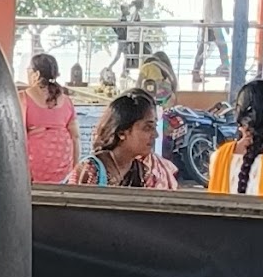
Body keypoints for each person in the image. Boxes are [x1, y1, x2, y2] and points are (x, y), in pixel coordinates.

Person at [67, 90, 179, 189]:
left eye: (154, 127)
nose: (155, 135)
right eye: (147, 128)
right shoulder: (91, 170)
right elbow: (75, 210)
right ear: (122, 133)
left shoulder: (141, 173)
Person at [21, 52, 80, 184]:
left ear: (35, 74)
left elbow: (18, 137)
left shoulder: (23, 98)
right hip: (64, 167)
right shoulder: (67, 101)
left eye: (28, 71)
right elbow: (75, 138)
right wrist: (74, 170)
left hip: (33, 168)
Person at [193, 0, 229, 82]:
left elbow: (217, 8)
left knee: (213, 48)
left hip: (212, 23)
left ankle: (224, 67)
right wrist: (221, 24)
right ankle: (196, 71)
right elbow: (215, 7)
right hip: (211, 24)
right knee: (210, 48)